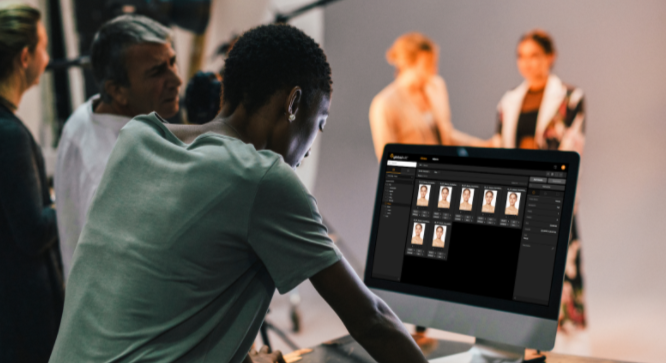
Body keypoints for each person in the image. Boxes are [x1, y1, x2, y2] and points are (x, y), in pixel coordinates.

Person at [48, 24, 428, 363]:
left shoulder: (137, 139)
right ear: (294, 103)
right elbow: (371, 320)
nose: (311, 146)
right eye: (320, 123)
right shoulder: (261, 177)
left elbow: (167, 304)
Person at [54, 14, 182, 278]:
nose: (177, 80)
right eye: (157, 71)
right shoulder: (113, 173)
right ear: (117, 90)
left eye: (173, 62)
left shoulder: (87, 115)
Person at [489, 30, 587, 339]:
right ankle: (525, 330)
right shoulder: (509, 100)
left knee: (561, 261)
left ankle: (566, 333)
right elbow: (501, 145)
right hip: (518, 191)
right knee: (519, 262)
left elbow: (573, 145)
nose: (528, 63)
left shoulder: (571, 97)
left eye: (534, 56)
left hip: (553, 190)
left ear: (550, 57)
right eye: (522, 56)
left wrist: (537, 152)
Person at [0, 4, 64, 362]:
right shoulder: (9, 135)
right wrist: (64, 202)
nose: (48, 55)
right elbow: (32, 232)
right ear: (25, 56)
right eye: (42, 45)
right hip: (25, 314)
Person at [369, 32, 483, 160]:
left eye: (434, 64)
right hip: (415, 174)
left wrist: (480, 145)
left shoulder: (436, 87)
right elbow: (385, 157)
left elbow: (447, 135)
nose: (434, 71)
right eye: (427, 65)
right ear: (407, 64)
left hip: (443, 171)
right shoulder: (384, 104)